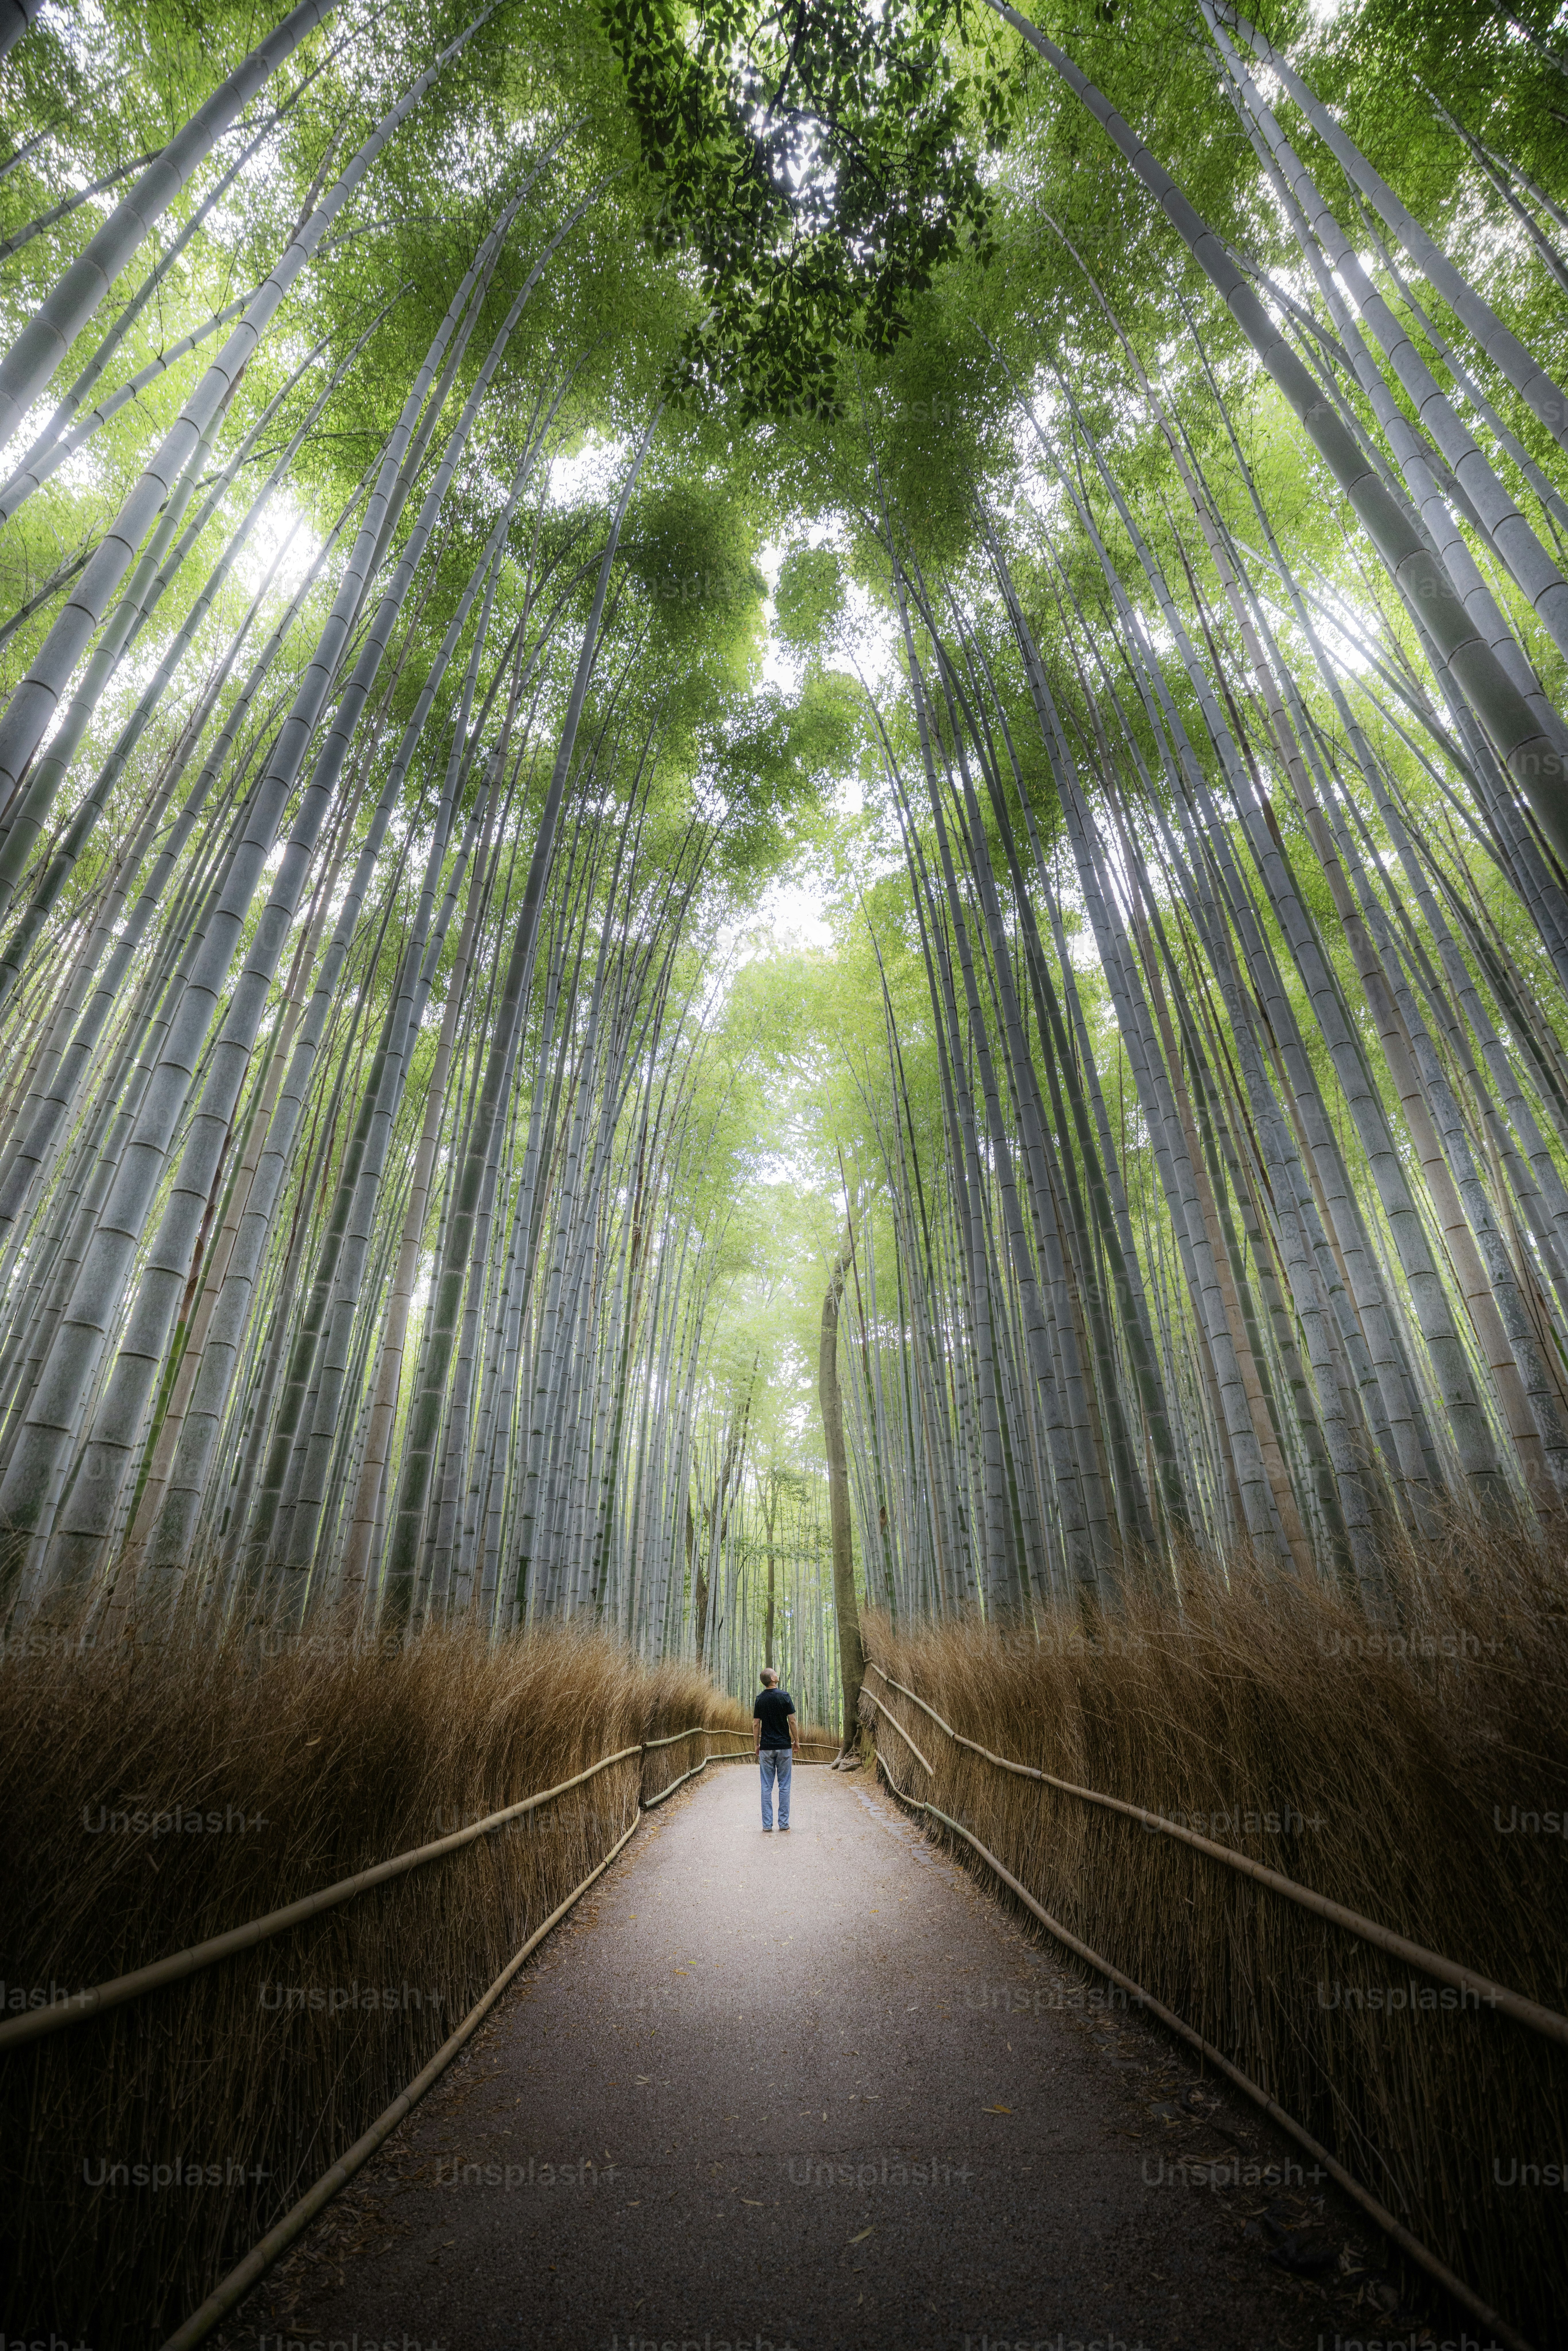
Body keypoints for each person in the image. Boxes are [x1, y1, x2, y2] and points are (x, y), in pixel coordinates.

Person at [753, 1665, 797, 1832]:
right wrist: (797, 1741)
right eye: (775, 1673)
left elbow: (756, 1723)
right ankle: (784, 1824)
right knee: (784, 1786)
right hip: (784, 1747)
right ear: (772, 1679)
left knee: (766, 1786)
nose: (777, 1675)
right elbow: (792, 1721)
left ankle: (767, 1825)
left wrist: (757, 1744)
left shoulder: (760, 1699)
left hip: (766, 1748)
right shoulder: (784, 1696)